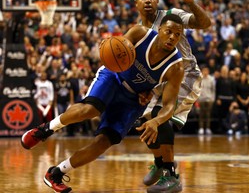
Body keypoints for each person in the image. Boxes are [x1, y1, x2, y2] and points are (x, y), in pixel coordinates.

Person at [21, 14, 185, 193]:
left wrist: (156, 121)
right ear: (159, 29)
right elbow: (115, 47)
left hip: (133, 100)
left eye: (177, 35)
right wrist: (107, 47)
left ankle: (56, 173)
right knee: (90, 109)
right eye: (169, 31)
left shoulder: (176, 67)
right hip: (113, 77)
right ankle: (44, 130)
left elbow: (169, 105)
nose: (172, 37)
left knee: (104, 142)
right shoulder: (140, 33)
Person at [134, 0, 211, 193]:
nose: (148, 0)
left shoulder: (172, 14)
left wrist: (189, 1)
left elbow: (204, 23)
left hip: (185, 75)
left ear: (157, 1)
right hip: (161, 81)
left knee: (161, 117)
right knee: (143, 120)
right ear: (136, 4)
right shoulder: (140, 30)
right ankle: (160, 163)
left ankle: (171, 176)